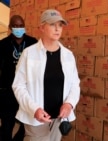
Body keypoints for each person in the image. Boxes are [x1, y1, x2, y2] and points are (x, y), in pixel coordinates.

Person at [11, 9, 80, 141]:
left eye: (60, 25)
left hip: (59, 118)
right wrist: (34, 109)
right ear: (42, 27)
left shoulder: (68, 55)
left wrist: (69, 104)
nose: (57, 29)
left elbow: (74, 85)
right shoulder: (28, 54)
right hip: (36, 118)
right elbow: (18, 86)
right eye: (52, 24)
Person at [0, 15, 38, 141]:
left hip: (27, 92)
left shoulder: (33, 43)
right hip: (8, 92)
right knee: (7, 126)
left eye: (21, 25)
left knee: (26, 126)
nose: (18, 28)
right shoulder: (3, 45)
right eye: (15, 26)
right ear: (10, 27)